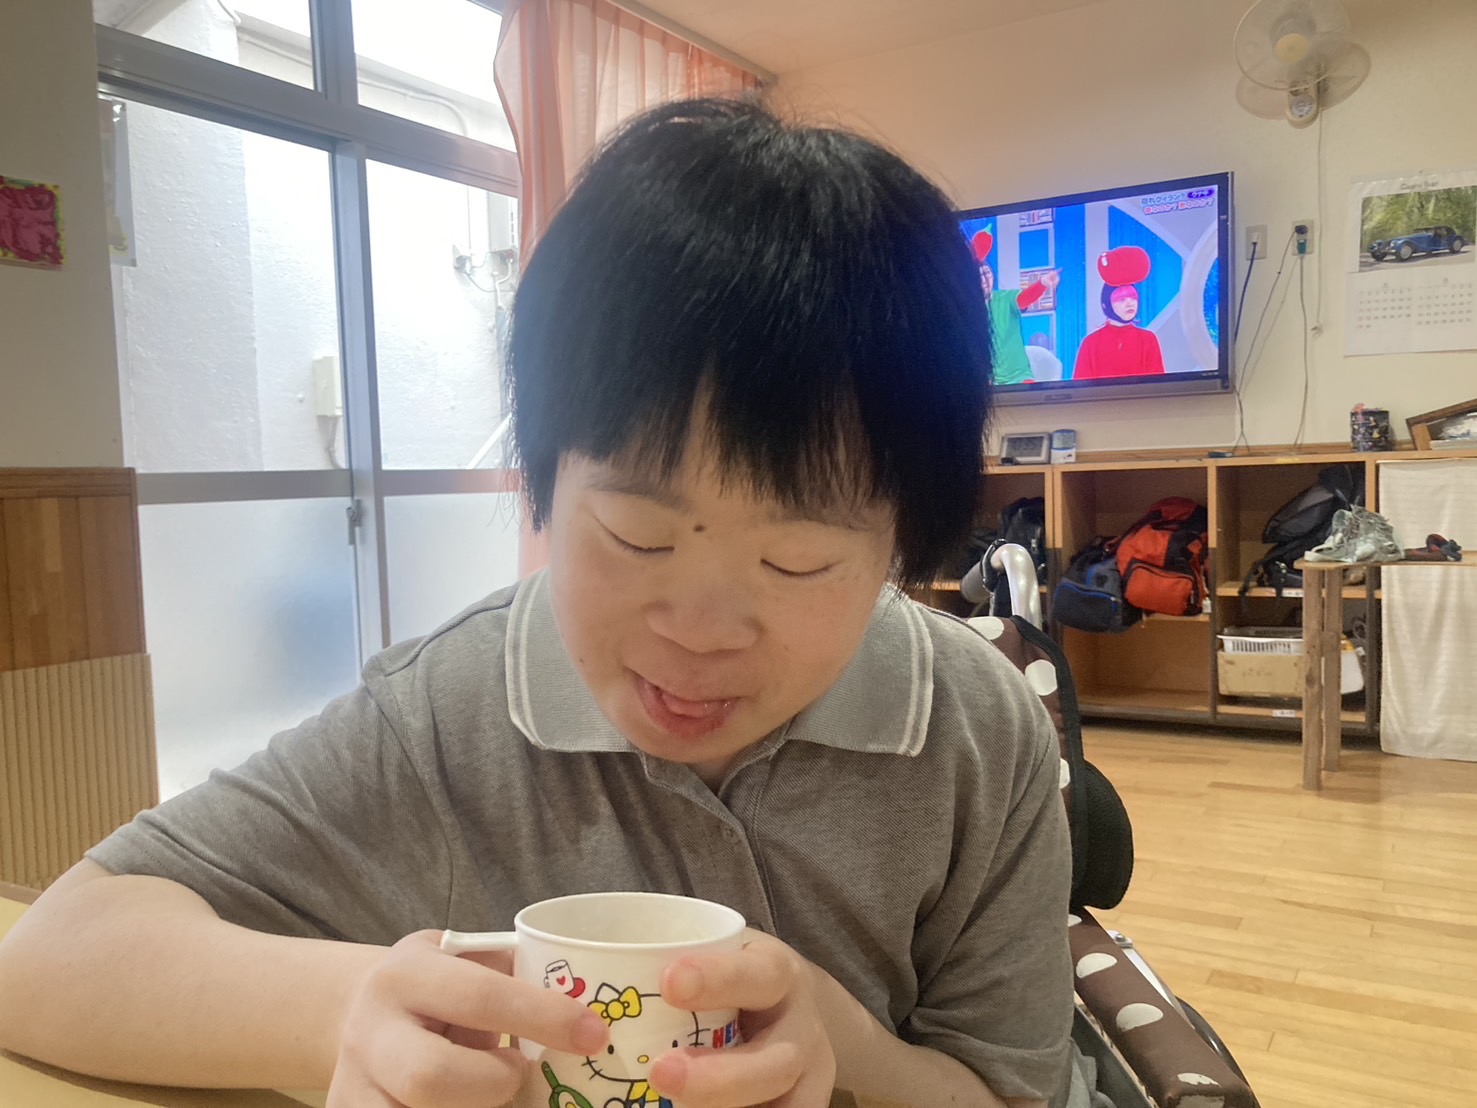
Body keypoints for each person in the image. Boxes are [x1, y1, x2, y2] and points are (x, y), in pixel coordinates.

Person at [0, 98, 1076, 1108]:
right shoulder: (446, 714)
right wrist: (339, 1013)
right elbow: (48, 956)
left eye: (797, 561)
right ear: (546, 480)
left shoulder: (975, 731)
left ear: (901, 547)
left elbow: (1012, 1089)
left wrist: (846, 1045)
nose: (697, 631)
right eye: (637, 534)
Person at [972, 228, 1060, 386]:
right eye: (978, 276)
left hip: (1019, 379)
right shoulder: (968, 311)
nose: (984, 280)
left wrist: (1043, 284)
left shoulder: (1005, 299)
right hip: (988, 384)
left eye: (987, 274)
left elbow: (1024, 299)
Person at [1071, 246, 1165, 380]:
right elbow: (1080, 388)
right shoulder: (1091, 344)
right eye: (1121, 299)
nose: (1130, 304)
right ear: (1107, 304)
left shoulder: (1148, 340)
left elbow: (1159, 385)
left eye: (1133, 298)